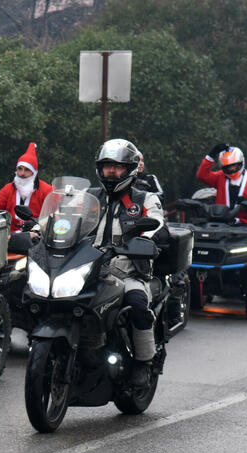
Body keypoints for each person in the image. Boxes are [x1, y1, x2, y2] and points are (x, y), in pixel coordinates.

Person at [92, 139, 166, 388]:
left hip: (128, 272)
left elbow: (157, 226)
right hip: (88, 270)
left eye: (118, 167)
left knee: (136, 303)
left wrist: (142, 238)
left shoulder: (145, 198)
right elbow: (63, 221)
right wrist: (43, 229)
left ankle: (143, 362)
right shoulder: (89, 197)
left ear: (130, 169)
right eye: (107, 166)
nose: (111, 171)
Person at [196, 143, 247, 227]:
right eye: (227, 167)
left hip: (244, 224)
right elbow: (202, 175)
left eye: (234, 165)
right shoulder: (220, 177)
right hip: (219, 222)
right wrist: (211, 155)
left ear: (241, 163)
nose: (231, 169)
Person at [0, 142, 52, 232]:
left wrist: (38, 222)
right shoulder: (9, 188)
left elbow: (54, 212)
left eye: (27, 170)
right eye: (20, 169)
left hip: (36, 237)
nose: (22, 173)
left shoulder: (46, 190)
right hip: (9, 237)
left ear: (34, 172)